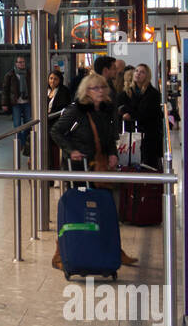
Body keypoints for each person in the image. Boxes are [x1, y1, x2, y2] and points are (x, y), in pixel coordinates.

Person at [49, 73, 137, 268]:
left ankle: (115, 250)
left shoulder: (106, 110)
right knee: (77, 211)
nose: (99, 91)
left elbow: (109, 137)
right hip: (80, 168)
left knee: (106, 210)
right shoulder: (77, 110)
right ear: (86, 91)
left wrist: (113, 153)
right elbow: (55, 131)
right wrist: (71, 151)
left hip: (100, 166)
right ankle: (61, 252)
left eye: (102, 88)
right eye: (94, 88)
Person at [118, 63, 164, 170]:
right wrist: (125, 112)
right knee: (129, 162)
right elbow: (120, 106)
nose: (138, 74)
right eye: (137, 71)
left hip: (148, 136)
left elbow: (145, 112)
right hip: (130, 135)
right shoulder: (127, 92)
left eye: (142, 72)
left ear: (147, 76)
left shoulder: (153, 94)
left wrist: (130, 114)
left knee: (148, 164)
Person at [1, 55, 32, 154]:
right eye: (19, 62)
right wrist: (4, 103)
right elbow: (5, 90)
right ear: (16, 63)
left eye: (23, 62)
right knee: (17, 124)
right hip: (16, 103)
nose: (21, 64)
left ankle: (24, 141)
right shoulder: (10, 75)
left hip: (27, 102)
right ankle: (21, 143)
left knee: (28, 123)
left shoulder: (29, 73)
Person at [45, 69, 72, 175]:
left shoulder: (63, 91)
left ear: (60, 80)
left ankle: (55, 171)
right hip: (45, 123)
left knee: (54, 150)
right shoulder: (45, 91)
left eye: (55, 79)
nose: (52, 81)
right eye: (51, 78)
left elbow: (64, 107)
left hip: (56, 123)